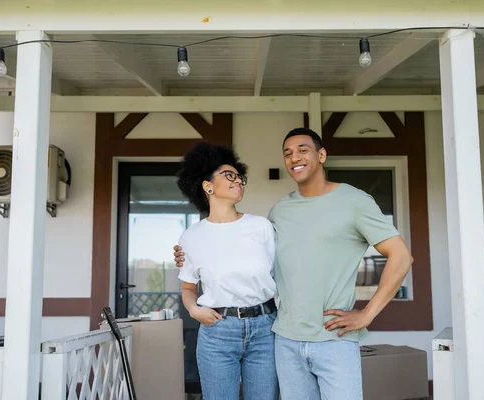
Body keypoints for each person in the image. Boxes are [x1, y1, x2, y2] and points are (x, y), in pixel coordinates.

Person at [175, 128, 413, 400]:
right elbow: (250, 256)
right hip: (283, 338)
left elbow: (401, 256)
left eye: (303, 150)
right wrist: (187, 254)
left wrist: (367, 314)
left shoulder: (350, 202)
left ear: (321, 155)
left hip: (324, 336)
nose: (294, 157)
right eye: (287, 153)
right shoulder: (279, 211)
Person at [175, 142, 279, 400]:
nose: (238, 181)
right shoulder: (191, 237)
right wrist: (193, 309)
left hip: (265, 328)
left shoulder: (262, 227)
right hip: (217, 331)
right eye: (228, 175)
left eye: (239, 176)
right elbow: (188, 288)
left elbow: (281, 275)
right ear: (207, 186)